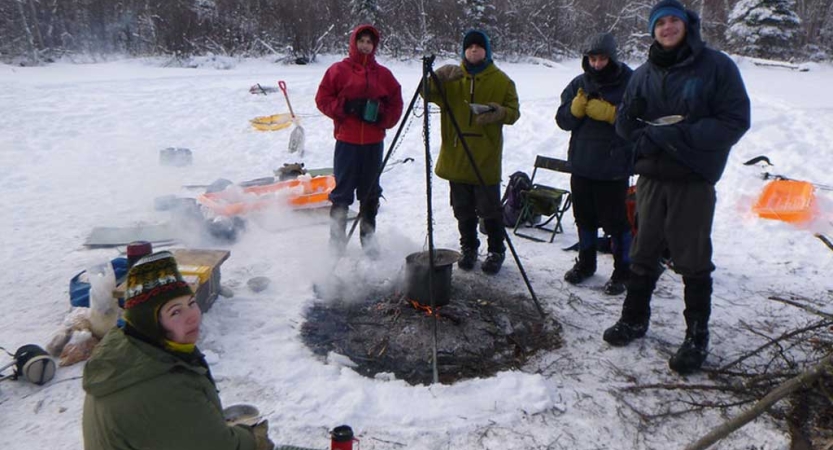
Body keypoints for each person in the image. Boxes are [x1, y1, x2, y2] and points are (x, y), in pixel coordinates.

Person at [603, 0, 751, 374]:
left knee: (692, 257)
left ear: (687, 25)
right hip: (652, 176)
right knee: (644, 250)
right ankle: (634, 319)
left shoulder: (716, 67)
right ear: (652, 30)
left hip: (693, 177)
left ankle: (696, 337)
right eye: (660, 23)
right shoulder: (644, 72)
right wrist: (643, 138)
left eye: (674, 21)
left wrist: (677, 135)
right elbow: (624, 121)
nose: (667, 27)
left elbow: (735, 120)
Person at [82, 251, 274, 450]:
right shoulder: (160, 385)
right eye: (175, 311)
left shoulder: (131, 351)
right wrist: (253, 440)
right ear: (148, 322)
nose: (192, 317)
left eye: (191, 303)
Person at [426, 30, 520, 274]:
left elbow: (513, 113)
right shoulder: (453, 78)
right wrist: (434, 78)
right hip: (456, 155)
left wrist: (498, 112)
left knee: (490, 210)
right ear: (463, 51)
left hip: (484, 157)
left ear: (487, 51)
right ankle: (469, 247)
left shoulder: (502, 81)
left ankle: (496, 250)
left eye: (479, 47)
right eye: (469, 47)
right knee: (462, 209)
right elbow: (425, 94)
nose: (474, 51)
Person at [555, 32, 634, 295]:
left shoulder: (630, 81)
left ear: (612, 57)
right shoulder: (579, 82)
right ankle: (586, 263)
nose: (597, 64)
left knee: (616, 223)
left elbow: (640, 121)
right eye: (592, 58)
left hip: (613, 167)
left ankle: (623, 271)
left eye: (602, 58)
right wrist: (573, 110)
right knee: (584, 218)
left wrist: (614, 114)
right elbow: (562, 120)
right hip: (582, 164)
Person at [316, 24, 404, 256]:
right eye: (362, 41)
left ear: (374, 46)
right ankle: (336, 243)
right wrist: (344, 107)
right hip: (347, 142)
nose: (365, 45)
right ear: (354, 43)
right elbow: (322, 98)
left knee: (370, 192)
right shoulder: (338, 70)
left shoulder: (383, 74)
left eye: (369, 42)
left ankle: (368, 240)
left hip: (373, 143)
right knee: (342, 193)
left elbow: (396, 103)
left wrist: (383, 117)